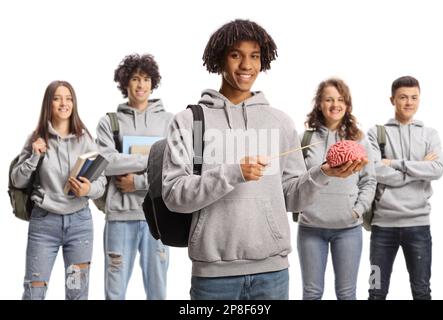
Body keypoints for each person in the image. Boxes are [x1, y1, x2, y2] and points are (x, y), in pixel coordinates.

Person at [162, 19, 366, 300]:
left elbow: (292, 198)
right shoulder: (187, 122)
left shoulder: (280, 122)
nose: (247, 65)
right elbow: (174, 195)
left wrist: (322, 173)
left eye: (254, 56)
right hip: (213, 276)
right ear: (219, 58)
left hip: (273, 274)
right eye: (236, 55)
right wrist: (233, 173)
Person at [11, 80, 106, 300]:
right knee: (34, 291)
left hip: (79, 225)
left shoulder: (85, 139)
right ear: (48, 104)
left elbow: (101, 184)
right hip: (44, 225)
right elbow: (18, 180)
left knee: (77, 293)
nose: (64, 103)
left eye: (69, 98)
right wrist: (35, 156)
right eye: (57, 98)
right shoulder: (36, 138)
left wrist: (88, 189)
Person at [96, 53, 173, 300]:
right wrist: (151, 159)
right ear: (125, 83)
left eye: (146, 79)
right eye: (136, 79)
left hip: (158, 218)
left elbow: (174, 167)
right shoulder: (110, 122)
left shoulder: (169, 122)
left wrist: (138, 181)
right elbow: (105, 163)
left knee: (158, 291)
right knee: (114, 292)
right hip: (119, 217)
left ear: (153, 83)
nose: (141, 85)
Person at [297, 78, 376, 300]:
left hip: (348, 228)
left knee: (346, 293)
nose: (335, 104)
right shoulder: (305, 139)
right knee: (312, 293)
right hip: (311, 228)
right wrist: (305, 208)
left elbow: (369, 181)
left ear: (347, 104)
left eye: (340, 99)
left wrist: (357, 210)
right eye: (329, 99)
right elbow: (294, 180)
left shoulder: (360, 139)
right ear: (319, 104)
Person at [366, 76, 443, 300]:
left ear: (419, 99)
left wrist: (395, 164)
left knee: (422, 292)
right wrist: (419, 167)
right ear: (392, 100)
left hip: (418, 226)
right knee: (375, 291)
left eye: (414, 97)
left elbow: (437, 169)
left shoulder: (430, 134)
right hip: (381, 228)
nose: (409, 102)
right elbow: (374, 170)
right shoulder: (376, 133)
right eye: (403, 97)